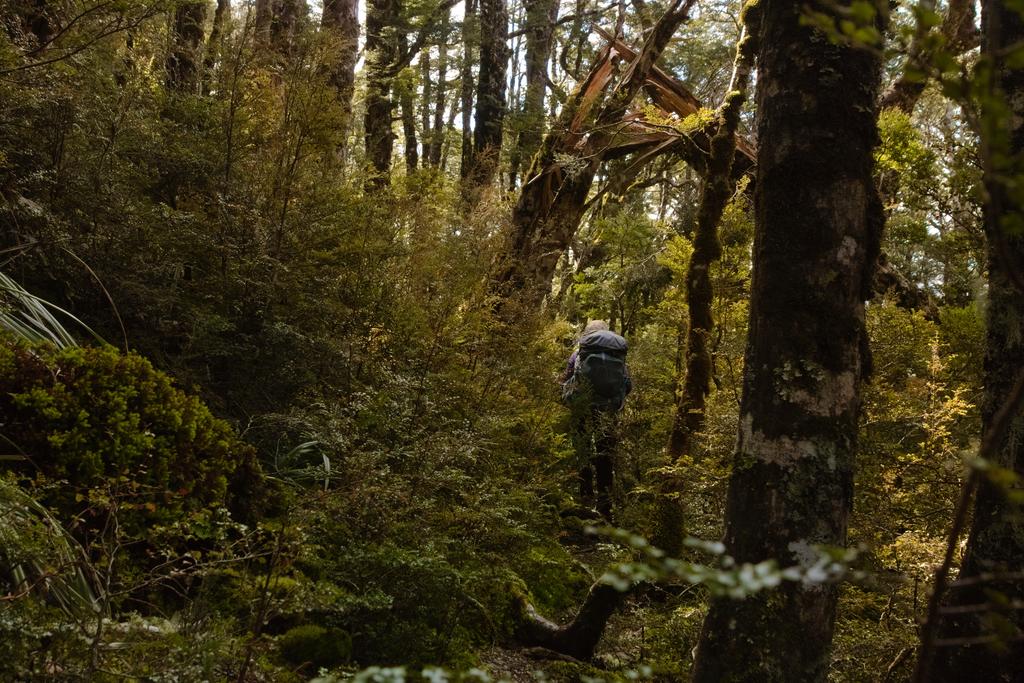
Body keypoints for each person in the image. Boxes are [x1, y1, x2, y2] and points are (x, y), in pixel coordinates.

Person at [561, 320, 632, 521]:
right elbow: (628, 385)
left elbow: (567, 380)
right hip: (608, 411)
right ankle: (605, 506)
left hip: (582, 408)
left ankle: (584, 496)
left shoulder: (578, 355)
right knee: (605, 454)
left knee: (581, 449)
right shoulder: (618, 357)